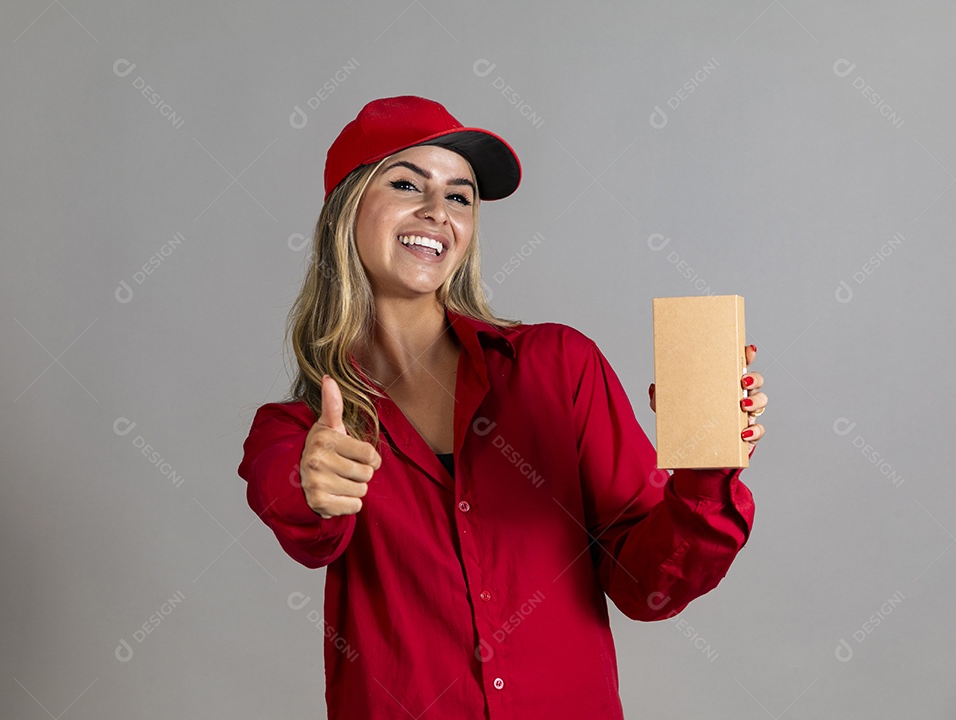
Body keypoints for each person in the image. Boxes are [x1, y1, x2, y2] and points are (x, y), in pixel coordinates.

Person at [238, 95, 767, 719]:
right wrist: (315, 486)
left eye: (459, 197)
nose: (437, 212)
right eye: (407, 184)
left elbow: (647, 588)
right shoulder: (295, 432)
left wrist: (705, 469)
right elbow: (298, 511)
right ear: (346, 208)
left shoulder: (558, 365)